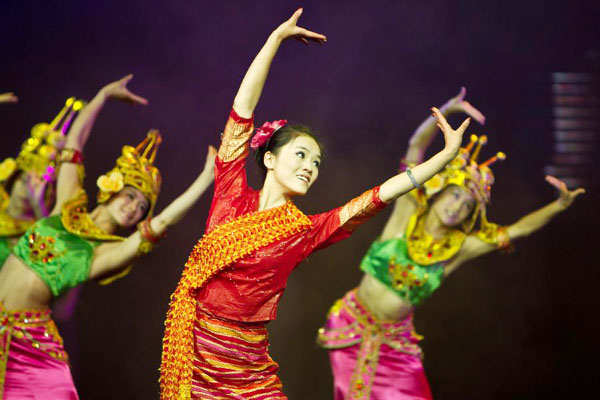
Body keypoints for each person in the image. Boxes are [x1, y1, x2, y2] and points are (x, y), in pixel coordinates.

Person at [159, 9, 472, 400]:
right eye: (302, 155)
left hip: (251, 369)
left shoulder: (304, 231)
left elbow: (378, 196)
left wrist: (442, 161)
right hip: (197, 356)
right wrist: (274, 41)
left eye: (317, 163)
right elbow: (242, 109)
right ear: (270, 158)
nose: (310, 167)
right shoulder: (231, 194)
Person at [317, 89, 586, 400]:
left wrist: (559, 206)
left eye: (467, 206)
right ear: (441, 191)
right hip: (352, 324)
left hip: (396, 345)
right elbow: (415, 148)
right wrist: (446, 110)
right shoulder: (407, 210)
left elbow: (517, 231)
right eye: (456, 195)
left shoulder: (460, 247)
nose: (458, 206)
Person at [0, 75, 217, 400]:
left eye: (141, 207)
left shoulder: (103, 254)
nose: (134, 208)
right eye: (130, 197)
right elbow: (74, 145)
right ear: (112, 189)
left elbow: (163, 222)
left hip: (28, 343)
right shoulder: (67, 207)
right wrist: (101, 97)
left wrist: (205, 179)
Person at [1, 97, 84, 266]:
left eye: (38, 184)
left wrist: (39, 206)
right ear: (13, 178)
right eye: (25, 180)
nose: (28, 190)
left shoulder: (33, 234)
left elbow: (54, 261)